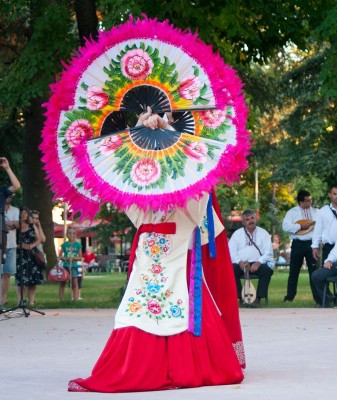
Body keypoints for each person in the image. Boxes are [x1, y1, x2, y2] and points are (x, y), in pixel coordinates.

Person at [69, 108, 245, 392]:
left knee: (143, 306)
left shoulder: (150, 193)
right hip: (161, 250)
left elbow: (120, 177)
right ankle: (183, 367)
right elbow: (198, 176)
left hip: (163, 250)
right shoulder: (177, 193)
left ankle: (142, 368)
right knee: (157, 304)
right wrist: (141, 130)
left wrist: (158, 133)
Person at [229, 209, 274, 308]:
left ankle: (257, 299)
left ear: (256, 218)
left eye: (252, 218)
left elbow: (269, 252)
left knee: (267, 271)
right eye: (247, 219)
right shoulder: (237, 234)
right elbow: (231, 252)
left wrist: (258, 263)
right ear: (243, 222)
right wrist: (239, 262)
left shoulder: (264, 233)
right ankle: (241, 298)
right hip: (241, 264)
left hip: (257, 263)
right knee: (231, 270)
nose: (250, 221)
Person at [282, 189, 319, 304]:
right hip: (298, 243)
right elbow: (285, 227)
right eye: (307, 201)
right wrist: (300, 227)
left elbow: (322, 225)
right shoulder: (292, 212)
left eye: (310, 200)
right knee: (294, 271)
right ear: (300, 202)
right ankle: (289, 297)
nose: (309, 203)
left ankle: (318, 297)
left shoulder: (317, 212)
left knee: (314, 271)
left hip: (312, 244)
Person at [0, 156, 21, 308]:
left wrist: (7, 168)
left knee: (6, 271)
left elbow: (16, 186)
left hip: (3, 235)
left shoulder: (2, 191)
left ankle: (2, 300)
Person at [15, 207, 44, 306]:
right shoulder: (16, 227)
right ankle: (20, 300)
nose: (23, 215)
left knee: (32, 278)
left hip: (32, 255)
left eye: (25, 213)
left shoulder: (32, 226)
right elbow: (13, 242)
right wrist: (20, 246)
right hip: (20, 255)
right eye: (21, 213)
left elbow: (39, 239)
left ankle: (31, 301)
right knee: (20, 278)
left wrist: (31, 246)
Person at [1, 192, 19, 307]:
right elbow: (11, 225)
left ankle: (3, 298)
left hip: (11, 244)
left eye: (10, 196)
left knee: (7, 273)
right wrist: (9, 224)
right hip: (0, 244)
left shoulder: (15, 210)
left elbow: (16, 225)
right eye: (6, 196)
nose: (9, 198)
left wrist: (3, 223)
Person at [58, 227, 83, 301]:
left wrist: (74, 258)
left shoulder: (78, 245)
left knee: (75, 282)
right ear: (67, 235)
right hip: (65, 266)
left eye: (74, 233)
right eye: (70, 233)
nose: (72, 235)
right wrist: (66, 258)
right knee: (63, 282)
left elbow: (80, 257)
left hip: (74, 266)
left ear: (76, 235)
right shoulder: (64, 245)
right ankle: (61, 299)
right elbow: (60, 256)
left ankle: (75, 298)